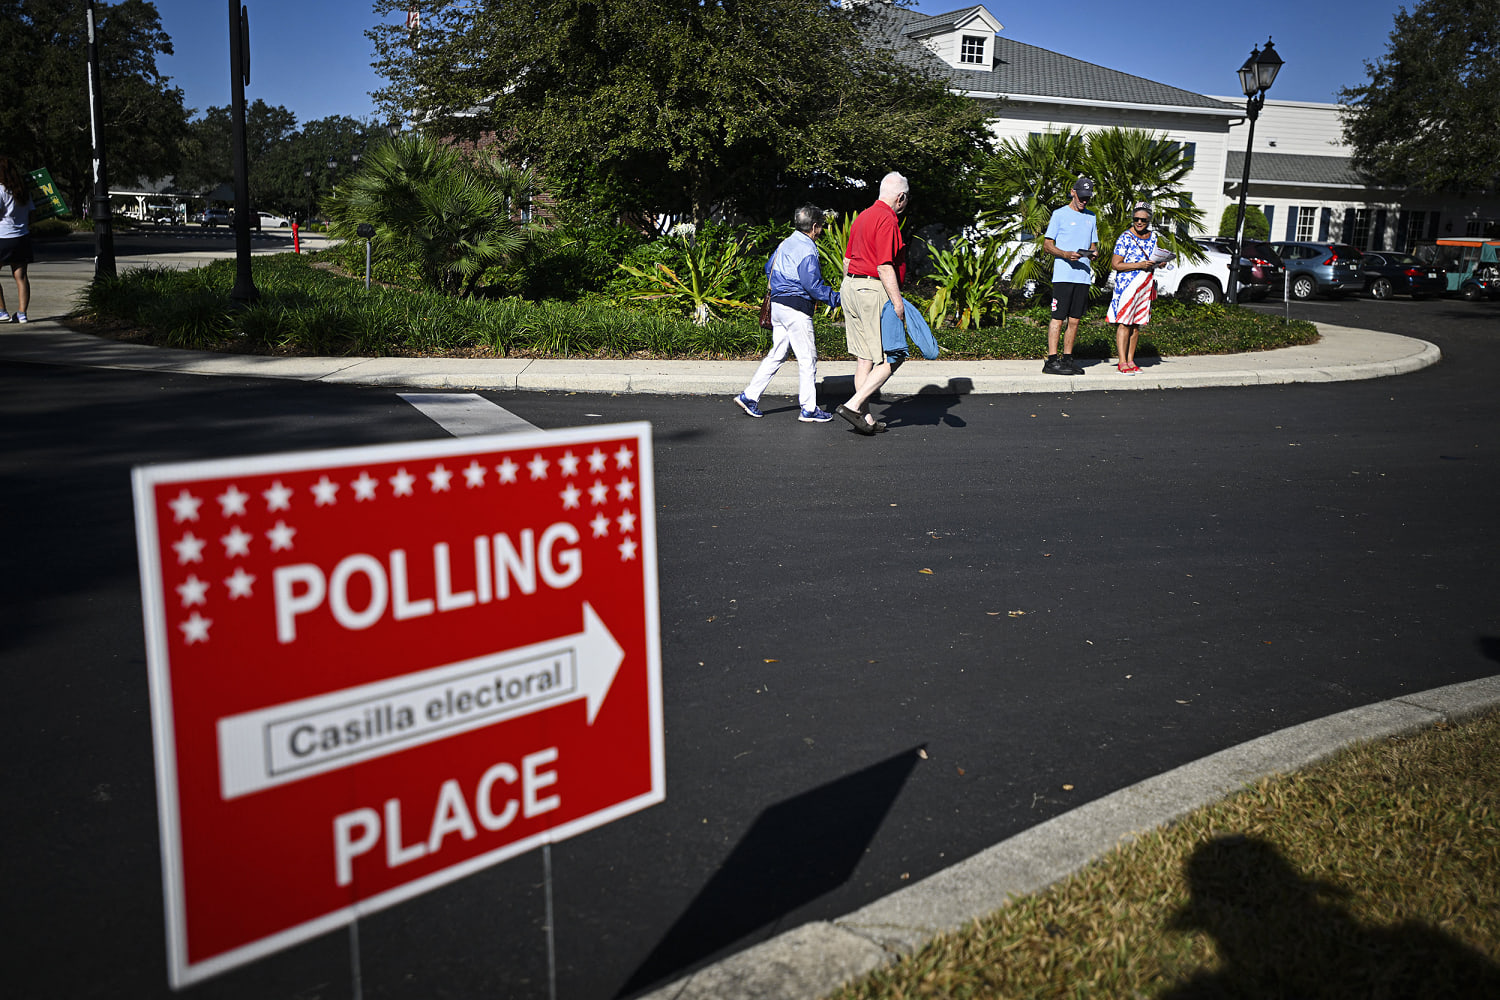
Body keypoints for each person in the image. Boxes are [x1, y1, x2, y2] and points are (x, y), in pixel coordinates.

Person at [734, 205, 840, 422]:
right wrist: (837, 299)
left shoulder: (785, 243)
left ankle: (750, 396)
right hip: (796, 308)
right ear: (814, 227)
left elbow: (768, 267)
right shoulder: (808, 249)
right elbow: (812, 284)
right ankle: (809, 409)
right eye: (820, 227)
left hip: (778, 306)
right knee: (807, 359)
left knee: (778, 353)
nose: (821, 231)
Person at [836, 172, 909, 435]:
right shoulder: (888, 219)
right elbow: (884, 265)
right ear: (900, 197)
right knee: (896, 353)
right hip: (872, 288)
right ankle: (854, 404)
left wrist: (851, 289)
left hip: (851, 286)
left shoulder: (863, 216)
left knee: (864, 358)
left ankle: (864, 418)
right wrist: (897, 303)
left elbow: (846, 261)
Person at [1041, 176, 1099, 375]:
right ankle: (1051, 361)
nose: (1084, 201)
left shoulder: (1091, 217)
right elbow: (1047, 245)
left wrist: (1093, 253)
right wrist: (1065, 254)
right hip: (1063, 276)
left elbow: (1093, 245)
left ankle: (1067, 359)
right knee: (1058, 318)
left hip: (1082, 276)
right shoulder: (1059, 214)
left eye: (1087, 198)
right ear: (1073, 192)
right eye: (1081, 196)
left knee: (1075, 320)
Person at [1107, 205, 1162, 373]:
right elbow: (1116, 264)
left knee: (1136, 324)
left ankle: (1131, 360)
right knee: (1124, 323)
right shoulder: (1125, 238)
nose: (1139, 222)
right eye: (1136, 219)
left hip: (1145, 285)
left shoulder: (1153, 237)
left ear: (1149, 221)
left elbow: (1154, 257)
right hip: (1127, 286)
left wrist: (1161, 261)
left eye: (1143, 220)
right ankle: (1122, 361)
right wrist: (1140, 265)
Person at [0, 155, 34, 324]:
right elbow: (31, 212)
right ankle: (22, 314)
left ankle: (2, 311)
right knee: (21, 276)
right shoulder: (23, 190)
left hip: (3, 237)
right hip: (22, 237)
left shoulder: (0, 190)